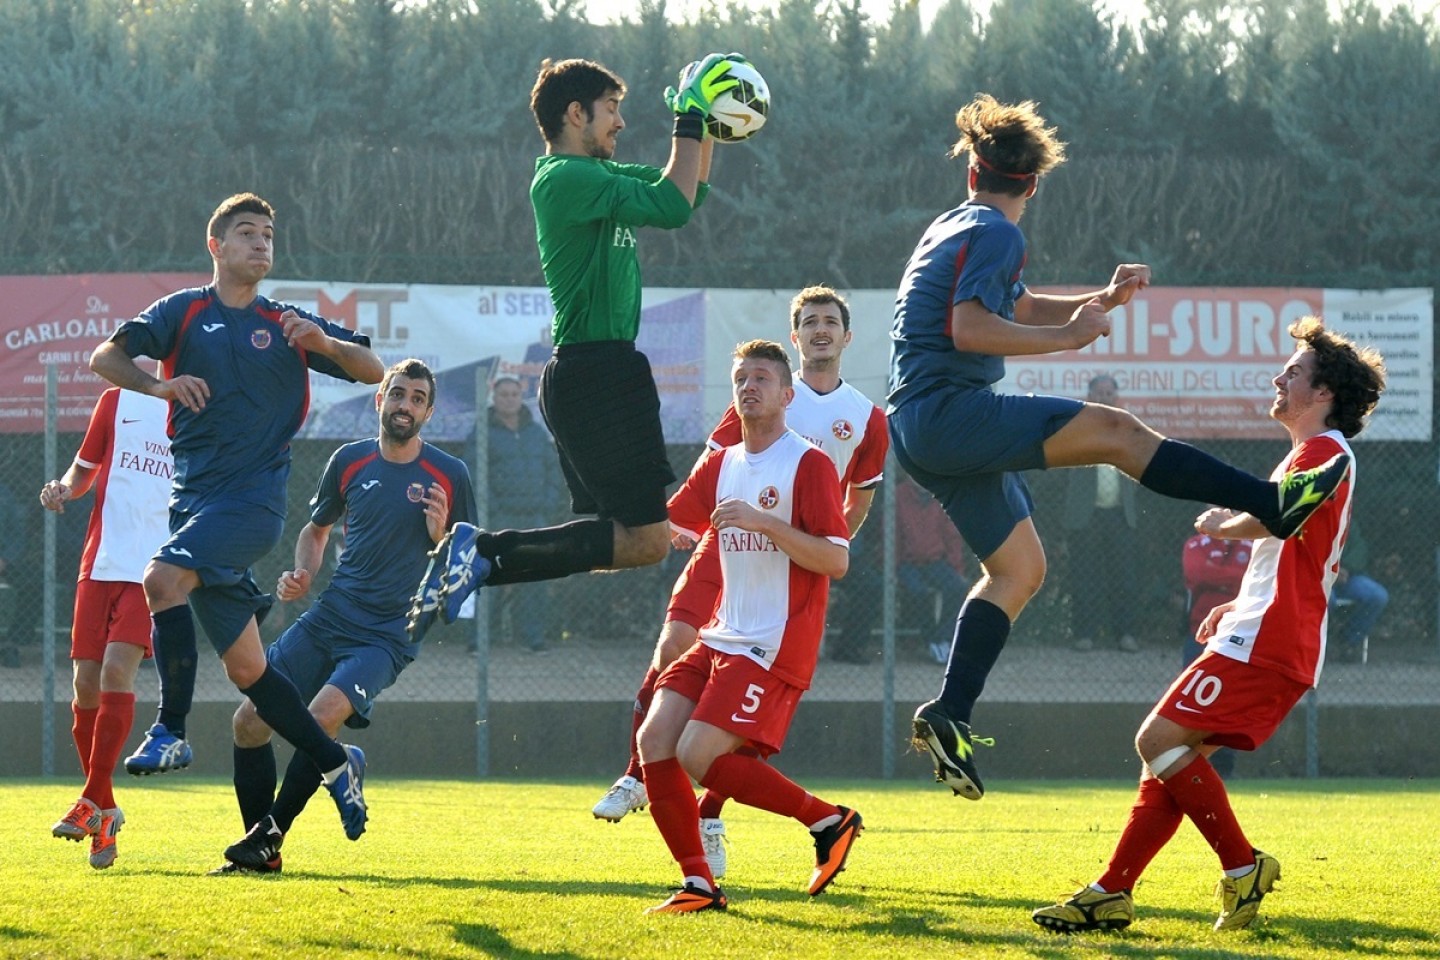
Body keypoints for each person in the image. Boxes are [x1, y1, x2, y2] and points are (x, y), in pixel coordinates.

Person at [886, 94, 1352, 802]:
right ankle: (1271, 504)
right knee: (1117, 433)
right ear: (1034, 184)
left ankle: (949, 711)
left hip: (921, 429)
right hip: (949, 413)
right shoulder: (996, 232)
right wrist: (1067, 339)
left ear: (972, 172)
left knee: (1019, 569)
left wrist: (1094, 301)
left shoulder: (958, 223)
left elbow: (1012, 304)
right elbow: (970, 327)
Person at [1031, 316, 1385, 933]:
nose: (1280, 378)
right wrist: (1239, 599)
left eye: (1294, 372)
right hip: (1263, 629)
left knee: (1156, 740)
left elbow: (1284, 515)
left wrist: (1225, 525)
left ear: (1323, 394)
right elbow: (1293, 544)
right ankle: (1110, 893)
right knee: (1167, 763)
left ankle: (1242, 865)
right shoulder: (1308, 452)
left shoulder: (1328, 451)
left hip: (1270, 639)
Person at [89, 192, 384, 840]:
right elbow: (105, 358)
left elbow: (374, 370)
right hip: (193, 502)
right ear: (216, 246)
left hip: (252, 505)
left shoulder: (286, 322)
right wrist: (159, 385)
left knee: (160, 581)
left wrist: (326, 341)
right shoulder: (184, 312)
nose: (261, 242)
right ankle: (338, 764)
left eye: (269, 234)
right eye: (247, 232)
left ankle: (169, 729)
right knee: (250, 672)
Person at [408, 54, 737, 635]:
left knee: (638, 541)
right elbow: (674, 201)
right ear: (575, 113)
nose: (620, 123)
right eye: (612, 109)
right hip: (598, 375)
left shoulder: (596, 177)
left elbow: (685, 195)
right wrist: (688, 116)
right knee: (648, 541)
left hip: (600, 373)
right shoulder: (565, 178)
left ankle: (478, 558)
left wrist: (704, 123)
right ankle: (480, 553)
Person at [590, 286, 887, 879]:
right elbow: (696, 496)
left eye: (831, 321)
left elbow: (854, 511)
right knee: (674, 648)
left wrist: (816, 540)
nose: (820, 329)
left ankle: (713, 817)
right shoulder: (753, 405)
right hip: (729, 550)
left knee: (708, 745)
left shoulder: (862, 421)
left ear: (847, 338)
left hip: (784, 571)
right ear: (796, 337)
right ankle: (639, 778)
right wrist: (612, 541)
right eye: (810, 322)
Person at [213, 359, 475, 874]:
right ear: (380, 400)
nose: (406, 405)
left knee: (319, 719)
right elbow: (316, 530)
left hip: (386, 636)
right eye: (398, 394)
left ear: (430, 412)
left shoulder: (450, 474)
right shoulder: (349, 461)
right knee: (247, 721)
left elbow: (465, 571)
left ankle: (271, 834)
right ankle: (261, 850)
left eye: (418, 398)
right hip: (329, 616)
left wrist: (441, 536)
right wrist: (303, 572)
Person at [637, 339, 860, 913]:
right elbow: (666, 523)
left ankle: (828, 820)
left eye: (762, 378)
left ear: (788, 395)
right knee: (654, 740)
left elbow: (836, 559)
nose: (749, 386)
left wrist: (766, 523)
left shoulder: (808, 463)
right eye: (741, 379)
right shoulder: (721, 462)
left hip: (774, 640)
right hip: (722, 634)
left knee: (697, 753)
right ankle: (698, 884)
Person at [43, 386, 172, 869]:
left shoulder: (201, 409)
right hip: (99, 563)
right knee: (84, 684)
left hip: (153, 568)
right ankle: (104, 808)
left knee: (117, 672)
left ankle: (91, 801)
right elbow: (84, 469)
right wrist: (64, 488)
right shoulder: (115, 401)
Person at [1062, 376, 1142, 653]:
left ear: (1116, 396)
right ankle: (1085, 635)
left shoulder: (1127, 426)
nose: (1105, 397)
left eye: (1110, 392)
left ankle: (1125, 635)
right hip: (1086, 516)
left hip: (1120, 515)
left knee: (1125, 577)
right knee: (1085, 577)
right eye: (1100, 392)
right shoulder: (1077, 424)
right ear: (1090, 395)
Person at [486, 376, 564, 653]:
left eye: (514, 394)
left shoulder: (535, 432)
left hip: (534, 519)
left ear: (521, 398)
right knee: (491, 579)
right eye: (504, 394)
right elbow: (474, 473)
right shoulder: (483, 432)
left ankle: (532, 639)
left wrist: (547, 504)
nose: (509, 399)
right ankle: (483, 642)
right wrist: (492, 511)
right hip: (498, 520)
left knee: (534, 581)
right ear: (494, 399)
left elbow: (553, 471)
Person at [1180, 525, 1253, 779]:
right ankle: (1188, 765)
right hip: (1200, 634)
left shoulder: (1255, 545)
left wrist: (1218, 577)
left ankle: (1224, 768)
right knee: (1191, 703)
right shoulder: (1194, 545)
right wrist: (1232, 581)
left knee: (1230, 703)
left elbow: (1252, 579)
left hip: (1240, 636)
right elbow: (1197, 574)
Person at [895, 473, 972, 665]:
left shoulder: (940, 495)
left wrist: (957, 567)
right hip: (906, 562)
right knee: (918, 592)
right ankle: (931, 640)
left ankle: (942, 639)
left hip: (935, 561)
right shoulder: (898, 495)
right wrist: (892, 567)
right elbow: (892, 534)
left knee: (958, 587)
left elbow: (951, 534)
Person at [1329, 519, 1387, 663]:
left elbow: (1359, 548)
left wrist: (1346, 568)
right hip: (1318, 578)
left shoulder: (1346, 517)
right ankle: (1322, 645)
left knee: (1377, 596)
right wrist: (1330, 571)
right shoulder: (1307, 515)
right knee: (1328, 600)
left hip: (1347, 576)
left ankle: (1348, 642)